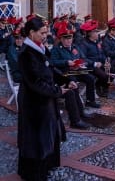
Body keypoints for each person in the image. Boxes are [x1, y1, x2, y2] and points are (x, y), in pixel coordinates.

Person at [17, 16, 71, 181]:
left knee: (47, 135)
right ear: (32, 33)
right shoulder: (26, 53)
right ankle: (34, 174)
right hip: (33, 103)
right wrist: (57, 91)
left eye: (47, 32)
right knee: (35, 139)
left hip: (45, 99)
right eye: (42, 33)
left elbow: (50, 69)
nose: (45, 36)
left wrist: (65, 80)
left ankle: (47, 165)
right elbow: (35, 82)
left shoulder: (41, 48)